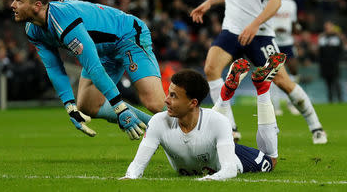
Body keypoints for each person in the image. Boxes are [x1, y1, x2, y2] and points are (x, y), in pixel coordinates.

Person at [190, 0, 327, 144]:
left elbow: (275, 0)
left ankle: (316, 126)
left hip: (259, 34)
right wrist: (209, 3)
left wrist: (254, 25)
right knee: (212, 69)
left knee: (283, 81)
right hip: (232, 29)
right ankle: (230, 128)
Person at [11, 0, 166, 140]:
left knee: (154, 102)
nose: (12, 5)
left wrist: (120, 109)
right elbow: (54, 68)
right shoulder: (33, 29)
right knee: (87, 105)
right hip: (103, 50)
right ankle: (155, 128)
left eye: (19, 0)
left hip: (127, 36)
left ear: (37, 6)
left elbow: (94, 68)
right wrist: (70, 106)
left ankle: (194, 122)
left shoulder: (64, 23)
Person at [121, 53, 285, 180]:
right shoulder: (159, 121)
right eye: (168, 94)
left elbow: (229, 170)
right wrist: (129, 177)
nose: (166, 100)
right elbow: (137, 166)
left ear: (193, 102)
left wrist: (208, 180)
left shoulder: (218, 121)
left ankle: (262, 88)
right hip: (213, 144)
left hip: (231, 156)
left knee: (271, 160)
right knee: (213, 124)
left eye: (173, 96)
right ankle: (226, 94)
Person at [269, 0, 301, 116]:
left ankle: (291, 103)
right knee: (274, 74)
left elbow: (294, 23)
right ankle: (276, 106)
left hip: (288, 42)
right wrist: (275, 29)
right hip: (273, 42)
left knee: (294, 72)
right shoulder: (267, 2)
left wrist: (295, 29)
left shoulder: (291, 4)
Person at [318, 21, 344, 103]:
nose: (327, 29)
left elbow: (341, 50)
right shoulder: (322, 38)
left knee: (336, 82)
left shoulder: (337, 38)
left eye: (329, 27)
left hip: (334, 64)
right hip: (325, 65)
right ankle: (330, 100)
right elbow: (320, 52)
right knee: (328, 84)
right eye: (326, 27)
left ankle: (340, 100)